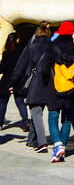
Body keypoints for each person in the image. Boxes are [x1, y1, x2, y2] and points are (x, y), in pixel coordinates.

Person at [40, 20, 74, 162]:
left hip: (54, 88)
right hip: (71, 89)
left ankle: (58, 145)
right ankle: (62, 148)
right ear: (72, 33)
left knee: (52, 117)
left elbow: (44, 69)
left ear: (60, 31)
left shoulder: (52, 46)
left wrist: (47, 81)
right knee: (67, 119)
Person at [12, 22, 51, 151]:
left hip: (35, 83)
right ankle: (30, 141)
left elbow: (20, 66)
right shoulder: (52, 47)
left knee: (35, 111)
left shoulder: (32, 47)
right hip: (48, 84)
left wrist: (13, 82)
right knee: (38, 111)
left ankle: (42, 143)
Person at [0, 30, 27, 129]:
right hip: (18, 79)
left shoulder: (6, 52)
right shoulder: (22, 51)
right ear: (17, 40)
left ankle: (0, 122)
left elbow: (2, 68)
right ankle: (25, 122)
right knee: (20, 101)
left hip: (6, 79)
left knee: (3, 102)